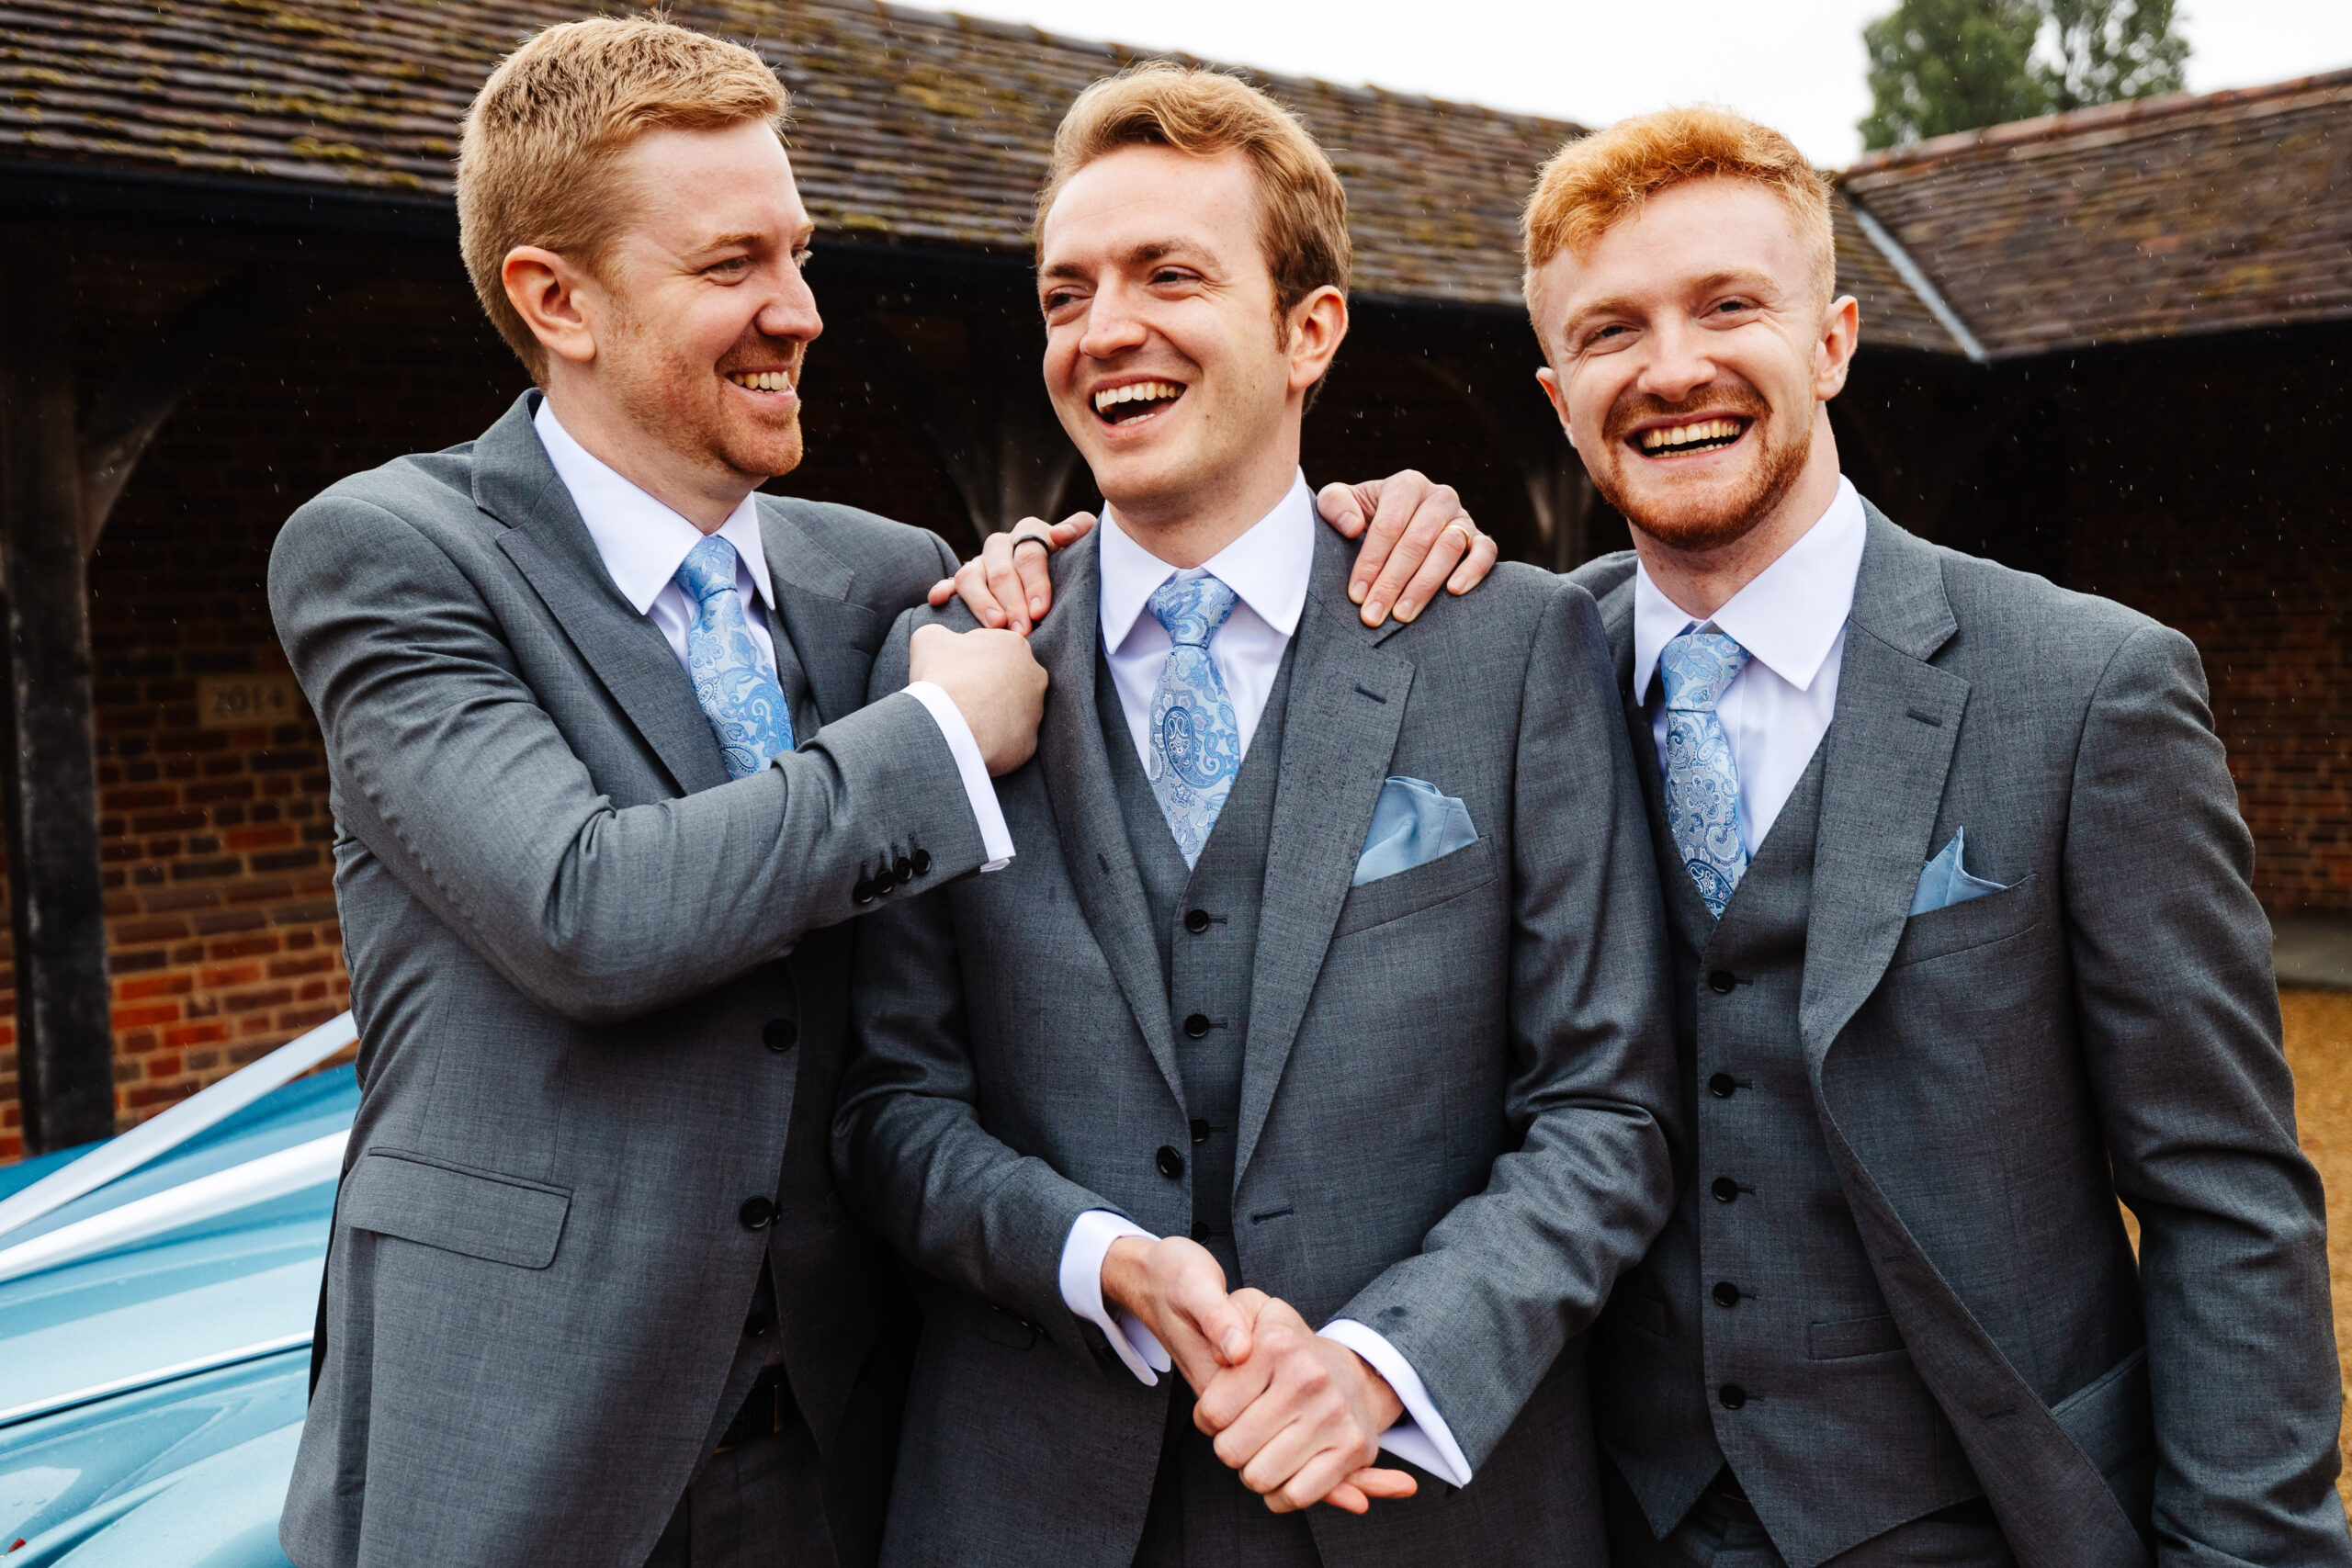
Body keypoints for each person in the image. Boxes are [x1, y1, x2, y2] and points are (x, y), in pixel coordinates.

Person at [269, 20, 1488, 1568]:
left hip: (852, 1450)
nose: (800, 312)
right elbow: (586, 909)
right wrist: (929, 740)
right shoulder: (387, 554)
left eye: (800, 254)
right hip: (517, 1436)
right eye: (733, 267)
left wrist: (1365, 514)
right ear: (554, 299)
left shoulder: (885, 579)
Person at [835, 63, 1678, 1568]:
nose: (1106, 331)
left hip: (1422, 1508)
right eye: (1065, 293)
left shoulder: (1512, 647)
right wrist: (1097, 1260)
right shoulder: (950, 661)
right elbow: (892, 1108)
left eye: (1171, 275)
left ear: (1310, 330)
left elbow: (1606, 1111)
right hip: (1028, 1508)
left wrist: (1383, 1366)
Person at [1497, 105, 2345, 1568]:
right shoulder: (1505, 679)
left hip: (1982, 1516)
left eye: (1728, 306)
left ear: (1831, 343)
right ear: (1560, 392)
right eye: (1611, 330)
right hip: (1602, 1513)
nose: (1673, 367)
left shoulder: (2089, 690)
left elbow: (2222, 1189)